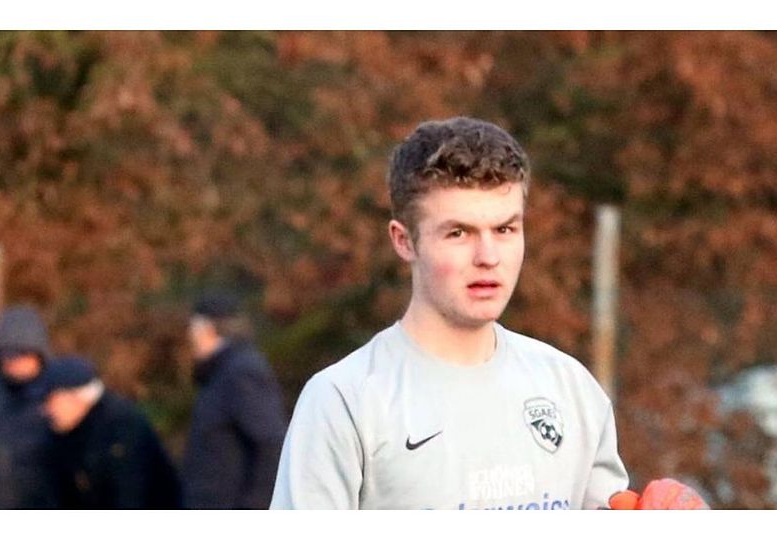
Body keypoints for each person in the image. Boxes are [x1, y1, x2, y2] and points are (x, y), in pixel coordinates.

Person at [270, 117, 708, 510]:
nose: (488, 256)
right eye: (458, 233)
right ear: (404, 241)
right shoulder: (345, 401)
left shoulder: (569, 387)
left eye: (505, 229)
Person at [181, 292, 287, 509]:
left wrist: (252, 508)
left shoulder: (241, 373)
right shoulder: (218, 373)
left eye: (193, 328)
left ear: (207, 329)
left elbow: (270, 444)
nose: (190, 336)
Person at [41, 356, 181, 509]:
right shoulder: (63, 433)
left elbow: (129, 496)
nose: (46, 410)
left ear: (76, 398)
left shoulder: (122, 427)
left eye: (51, 401)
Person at [0, 304, 58, 508]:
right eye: (6, 354)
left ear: (38, 354)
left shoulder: (57, 388)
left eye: (22, 353)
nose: (13, 362)